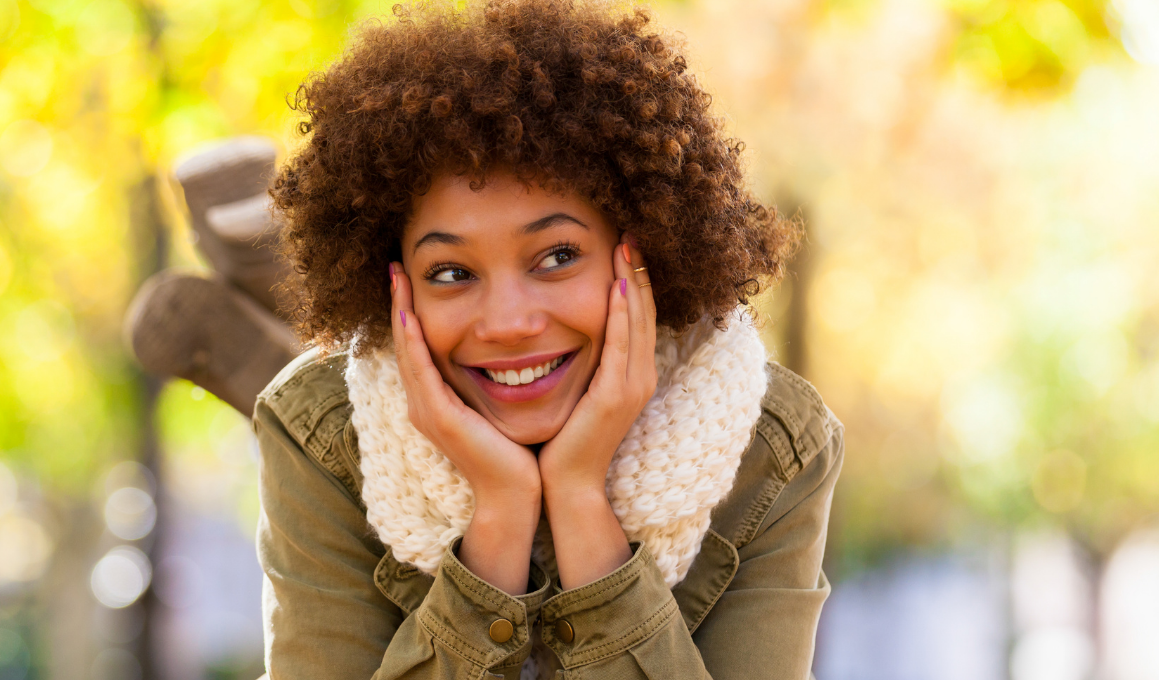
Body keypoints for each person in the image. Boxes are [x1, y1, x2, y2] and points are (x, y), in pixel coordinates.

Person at [256, 1, 844, 677]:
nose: (507, 322)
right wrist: (501, 515)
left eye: (557, 256)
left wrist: (578, 496)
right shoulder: (324, 437)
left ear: (640, 252)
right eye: (451, 272)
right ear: (398, 288)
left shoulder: (771, 450)